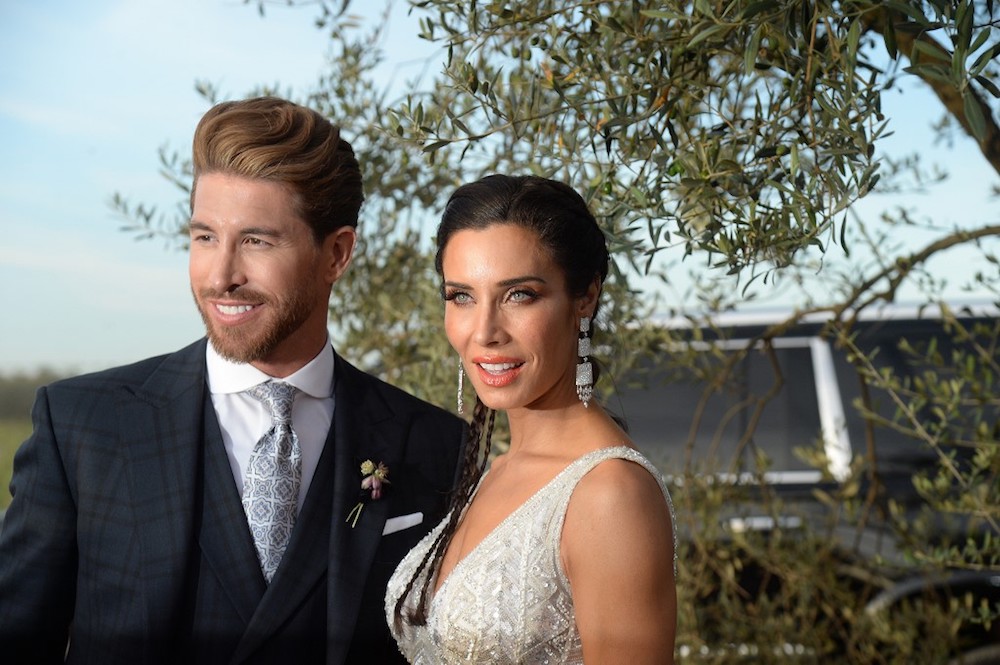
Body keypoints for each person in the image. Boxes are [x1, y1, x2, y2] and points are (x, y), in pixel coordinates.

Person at [0, 96, 465, 664]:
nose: (221, 275)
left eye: (256, 241)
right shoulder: (79, 426)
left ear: (337, 254)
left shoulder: (437, 447)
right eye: (204, 237)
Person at [385, 174, 677, 663]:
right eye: (461, 296)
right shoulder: (495, 471)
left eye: (519, 294)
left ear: (585, 297)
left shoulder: (611, 494)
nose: (485, 332)